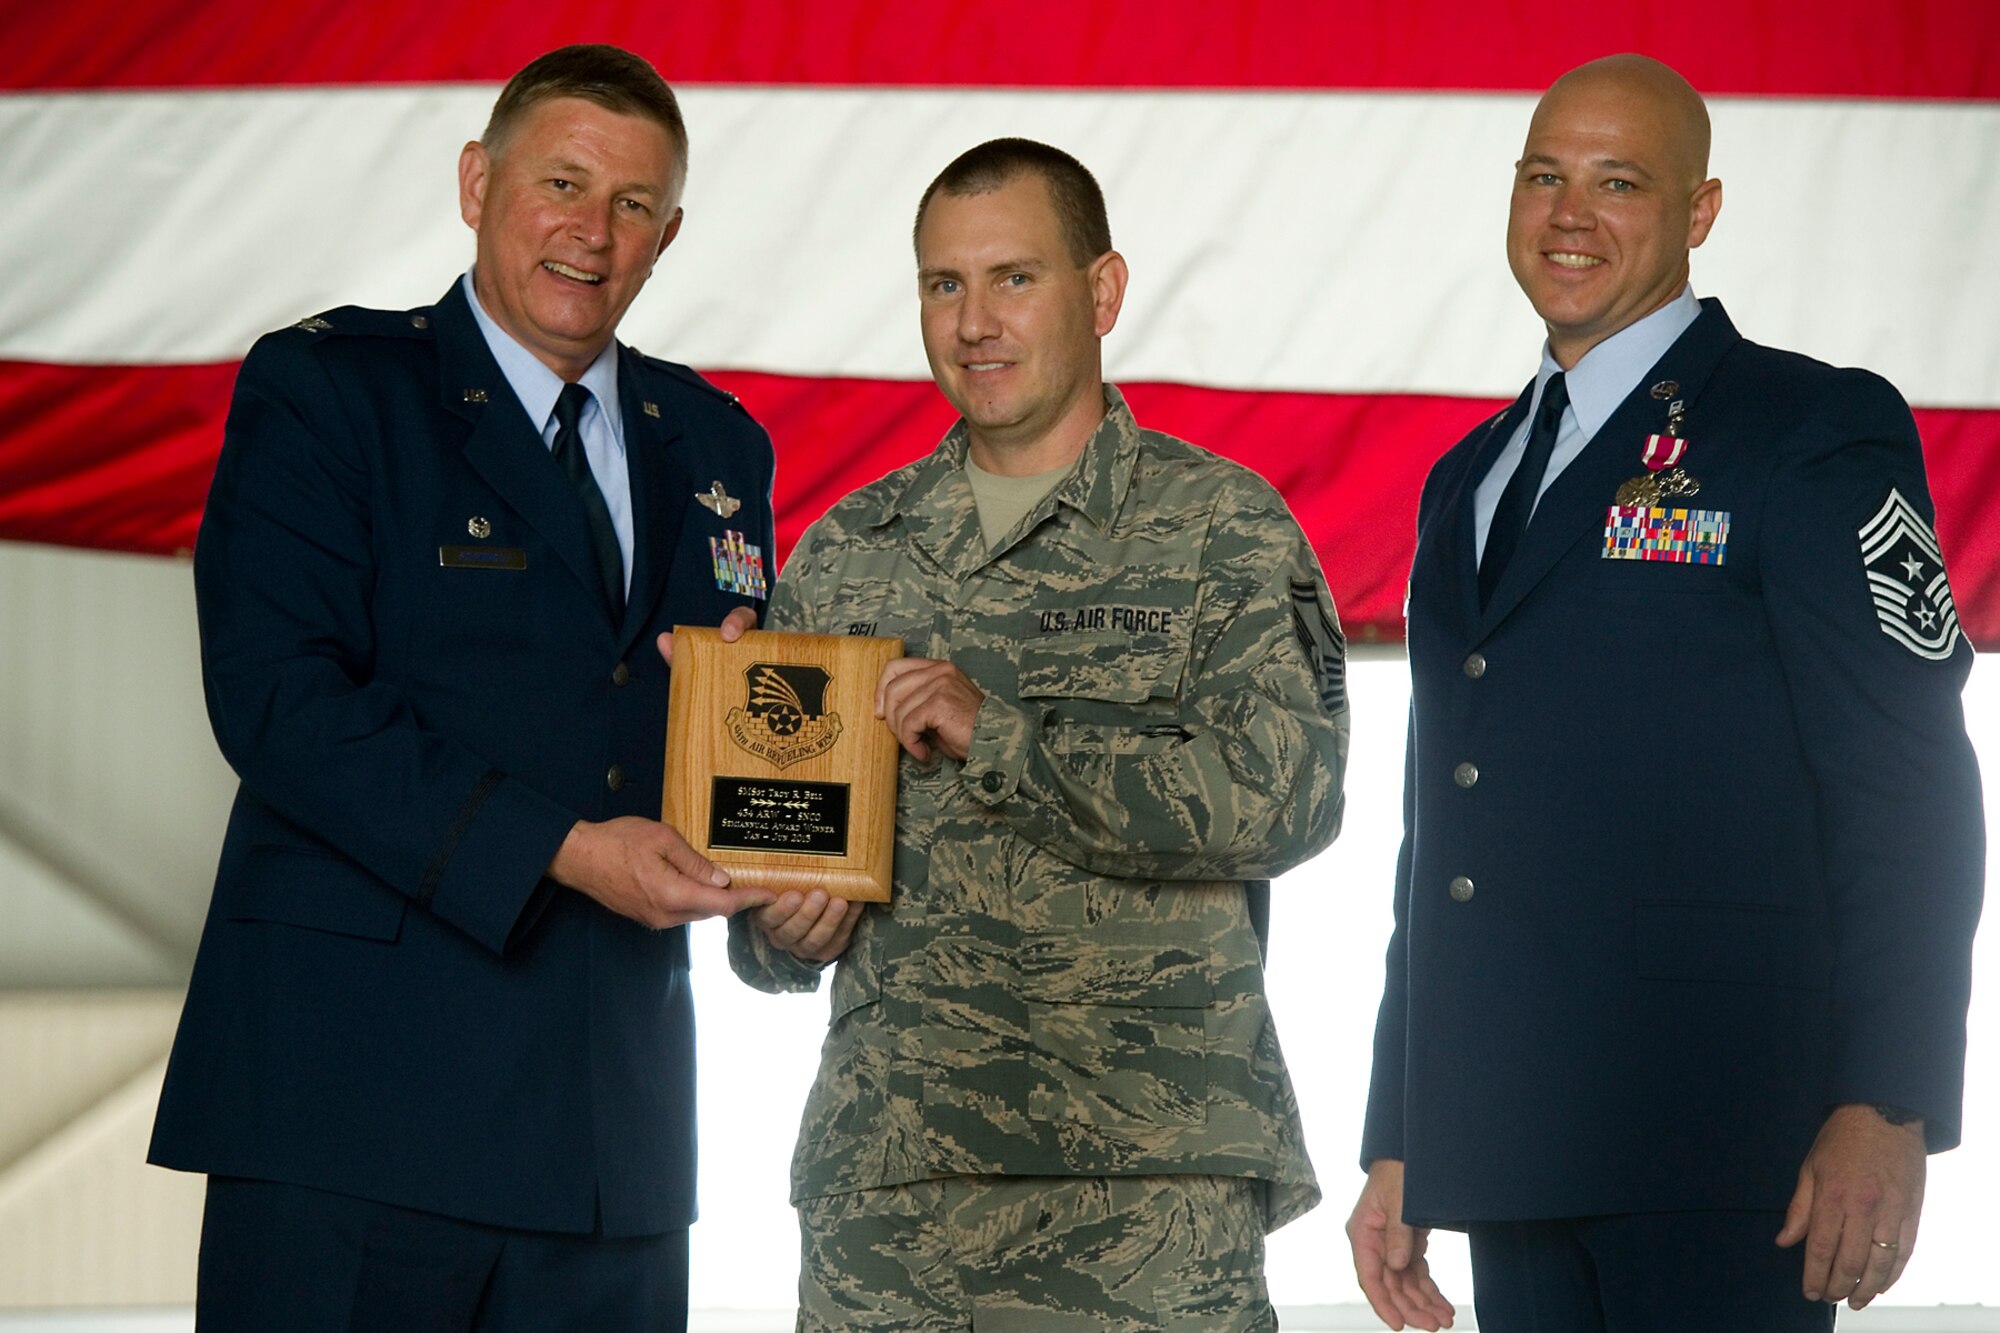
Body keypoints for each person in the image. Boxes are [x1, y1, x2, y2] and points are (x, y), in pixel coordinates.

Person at [1345, 54, 1984, 1333]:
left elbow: (1905, 783)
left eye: (1617, 183)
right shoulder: (1469, 474)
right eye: (1543, 177)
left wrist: (1887, 1099)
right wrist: (1405, 1129)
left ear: (1698, 212)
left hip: (1726, 1147)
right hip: (1513, 1140)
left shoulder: (1804, 427)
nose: (1568, 215)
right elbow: (1450, 830)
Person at [147, 44, 778, 1332]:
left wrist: (788, 882)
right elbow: (279, 702)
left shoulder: (717, 443)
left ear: (668, 234)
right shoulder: (332, 391)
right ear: (477, 184)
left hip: (610, 1134)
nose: (591, 233)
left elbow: (736, 729)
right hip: (351, 1109)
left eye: (633, 204)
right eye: (561, 183)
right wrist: (562, 849)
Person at [723, 138, 1349, 1330]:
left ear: (1101, 292)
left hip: (1148, 1188)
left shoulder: (1220, 527)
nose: (974, 323)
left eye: (1013, 277)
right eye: (942, 284)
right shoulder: (846, 551)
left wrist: (1001, 735)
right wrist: (775, 928)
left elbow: (1291, 795)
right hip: (892, 1190)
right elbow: (773, 880)